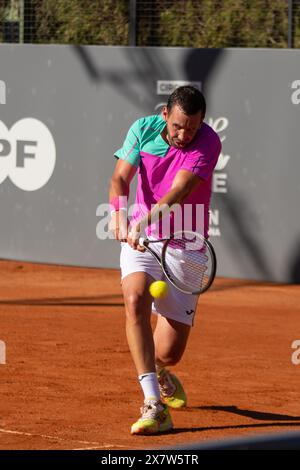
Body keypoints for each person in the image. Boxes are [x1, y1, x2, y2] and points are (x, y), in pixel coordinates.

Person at [108, 85, 221, 435]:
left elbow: (180, 190)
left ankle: (161, 370)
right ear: (164, 116)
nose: (184, 135)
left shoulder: (208, 142)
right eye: (177, 126)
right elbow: (120, 178)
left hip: (186, 243)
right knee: (135, 299)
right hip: (142, 244)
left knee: (169, 353)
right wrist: (118, 214)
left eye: (192, 128)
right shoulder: (141, 130)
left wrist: (142, 223)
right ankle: (154, 405)